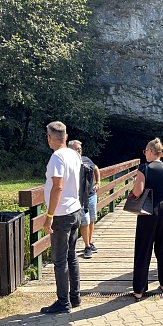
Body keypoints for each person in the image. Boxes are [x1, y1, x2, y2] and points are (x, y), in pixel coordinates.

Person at [41, 121, 82, 314]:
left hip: (61, 214)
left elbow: (57, 187)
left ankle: (63, 302)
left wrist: (49, 216)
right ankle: (75, 297)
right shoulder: (74, 153)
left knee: (59, 260)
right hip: (75, 210)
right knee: (71, 256)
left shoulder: (57, 157)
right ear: (65, 136)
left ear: (50, 138)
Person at [132, 137, 163, 301]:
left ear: (151, 151)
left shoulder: (144, 168)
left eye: (145, 151)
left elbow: (137, 192)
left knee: (143, 250)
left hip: (147, 212)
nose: (144, 153)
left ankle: (139, 290)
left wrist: (134, 187)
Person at [68, 140, 101, 259]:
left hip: (91, 194)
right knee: (85, 221)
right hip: (80, 198)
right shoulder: (69, 162)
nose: (79, 150)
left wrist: (98, 182)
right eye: (77, 149)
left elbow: (96, 168)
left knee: (92, 219)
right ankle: (87, 247)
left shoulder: (86, 159)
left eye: (80, 149)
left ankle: (90, 242)